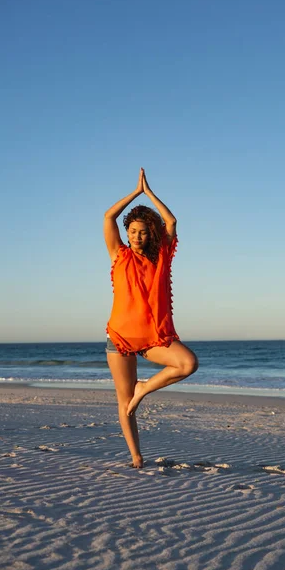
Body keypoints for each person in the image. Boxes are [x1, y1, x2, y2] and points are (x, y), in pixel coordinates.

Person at [103, 168, 198, 468]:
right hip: (118, 339)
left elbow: (171, 222)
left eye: (142, 231)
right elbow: (108, 218)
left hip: (151, 338)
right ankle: (136, 456)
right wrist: (134, 193)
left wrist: (150, 194)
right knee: (124, 402)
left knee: (187, 364)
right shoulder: (118, 254)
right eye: (132, 231)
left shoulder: (160, 259)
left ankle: (145, 388)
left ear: (150, 233)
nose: (136, 236)